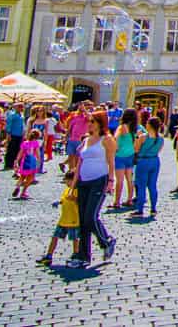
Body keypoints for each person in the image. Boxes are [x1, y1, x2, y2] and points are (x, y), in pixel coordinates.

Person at [68, 110, 117, 267]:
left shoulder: (107, 139)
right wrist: (73, 186)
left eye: (92, 122)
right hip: (84, 181)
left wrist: (111, 180)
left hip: (99, 180)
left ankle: (105, 241)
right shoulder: (86, 140)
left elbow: (111, 161)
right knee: (83, 219)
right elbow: (79, 163)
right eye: (89, 121)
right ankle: (84, 255)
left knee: (90, 216)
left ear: (100, 123)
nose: (89, 124)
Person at [38, 171, 81, 265]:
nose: (66, 183)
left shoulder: (78, 190)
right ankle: (49, 255)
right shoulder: (67, 190)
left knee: (75, 239)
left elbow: (81, 202)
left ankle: (76, 254)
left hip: (74, 220)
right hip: (63, 219)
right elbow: (64, 198)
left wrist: (74, 199)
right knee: (55, 237)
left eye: (67, 181)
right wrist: (59, 202)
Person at [131, 114, 164, 218]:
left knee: (141, 186)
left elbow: (135, 149)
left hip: (143, 162)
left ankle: (140, 210)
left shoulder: (143, 137)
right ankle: (153, 208)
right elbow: (159, 150)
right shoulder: (161, 138)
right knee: (152, 185)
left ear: (149, 125)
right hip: (155, 161)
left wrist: (137, 137)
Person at [112, 108, 138, 208]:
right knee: (129, 179)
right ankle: (129, 200)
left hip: (120, 155)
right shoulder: (134, 128)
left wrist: (116, 148)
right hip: (130, 155)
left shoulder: (122, 127)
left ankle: (117, 202)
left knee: (119, 180)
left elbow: (115, 138)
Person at [12, 129, 42, 199]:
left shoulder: (24, 143)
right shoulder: (36, 143)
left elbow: (20, 153)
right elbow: (37, 154)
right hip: (32, 162)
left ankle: (18, 186)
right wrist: (39, 161)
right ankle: (23, 191)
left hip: (25, 161)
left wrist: (16, 160)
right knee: (30, 177)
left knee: (22, 176)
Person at [2, 103, 25, 172]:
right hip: (13, 134)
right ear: (15, 107)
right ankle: (8, 164)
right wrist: (8, 135)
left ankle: (16, 163)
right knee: (11, 149)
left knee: (18, 149)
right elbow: (8, 125)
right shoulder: (12, 115)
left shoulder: (22, 115)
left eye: (22, 107)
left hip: (20, 135)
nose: (21, 108)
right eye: (19, 107)